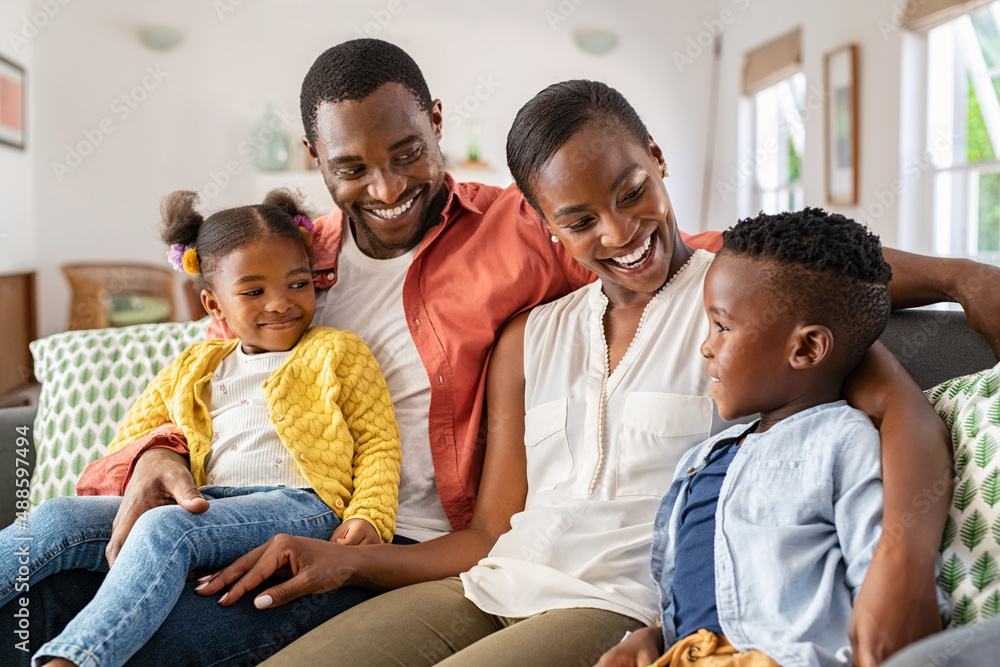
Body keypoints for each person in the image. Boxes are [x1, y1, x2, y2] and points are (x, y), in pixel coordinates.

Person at [7, 39, 1000, 665]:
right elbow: (484, 533)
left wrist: (961, 276)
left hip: (608, 600)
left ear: (658, 159)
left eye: (630, 192)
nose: (615, 233)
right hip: (476, 576)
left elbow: (833, 330)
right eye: (578, 217)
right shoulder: (331, 275)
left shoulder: (724, 301)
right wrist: (299, 538)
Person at [0, 189, 401, 667]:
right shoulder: (195, 365)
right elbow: (132, 439)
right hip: (211, 507)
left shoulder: (338, 351)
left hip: (302, 505)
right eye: (253, 292)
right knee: (58, 518)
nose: (281, 303)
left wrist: (370, 517)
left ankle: (74, 660)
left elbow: (378, 442)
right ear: (214, 305)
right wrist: (160, 458)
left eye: (298, 284)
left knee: (165, 527)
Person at [597, 208, 920, 667]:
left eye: (723, 326)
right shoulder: (703, 457)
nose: (706, 345)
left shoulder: (840, 440)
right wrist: (650, 637)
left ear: (806, 348)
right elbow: (688, 582)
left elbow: (879, 571)